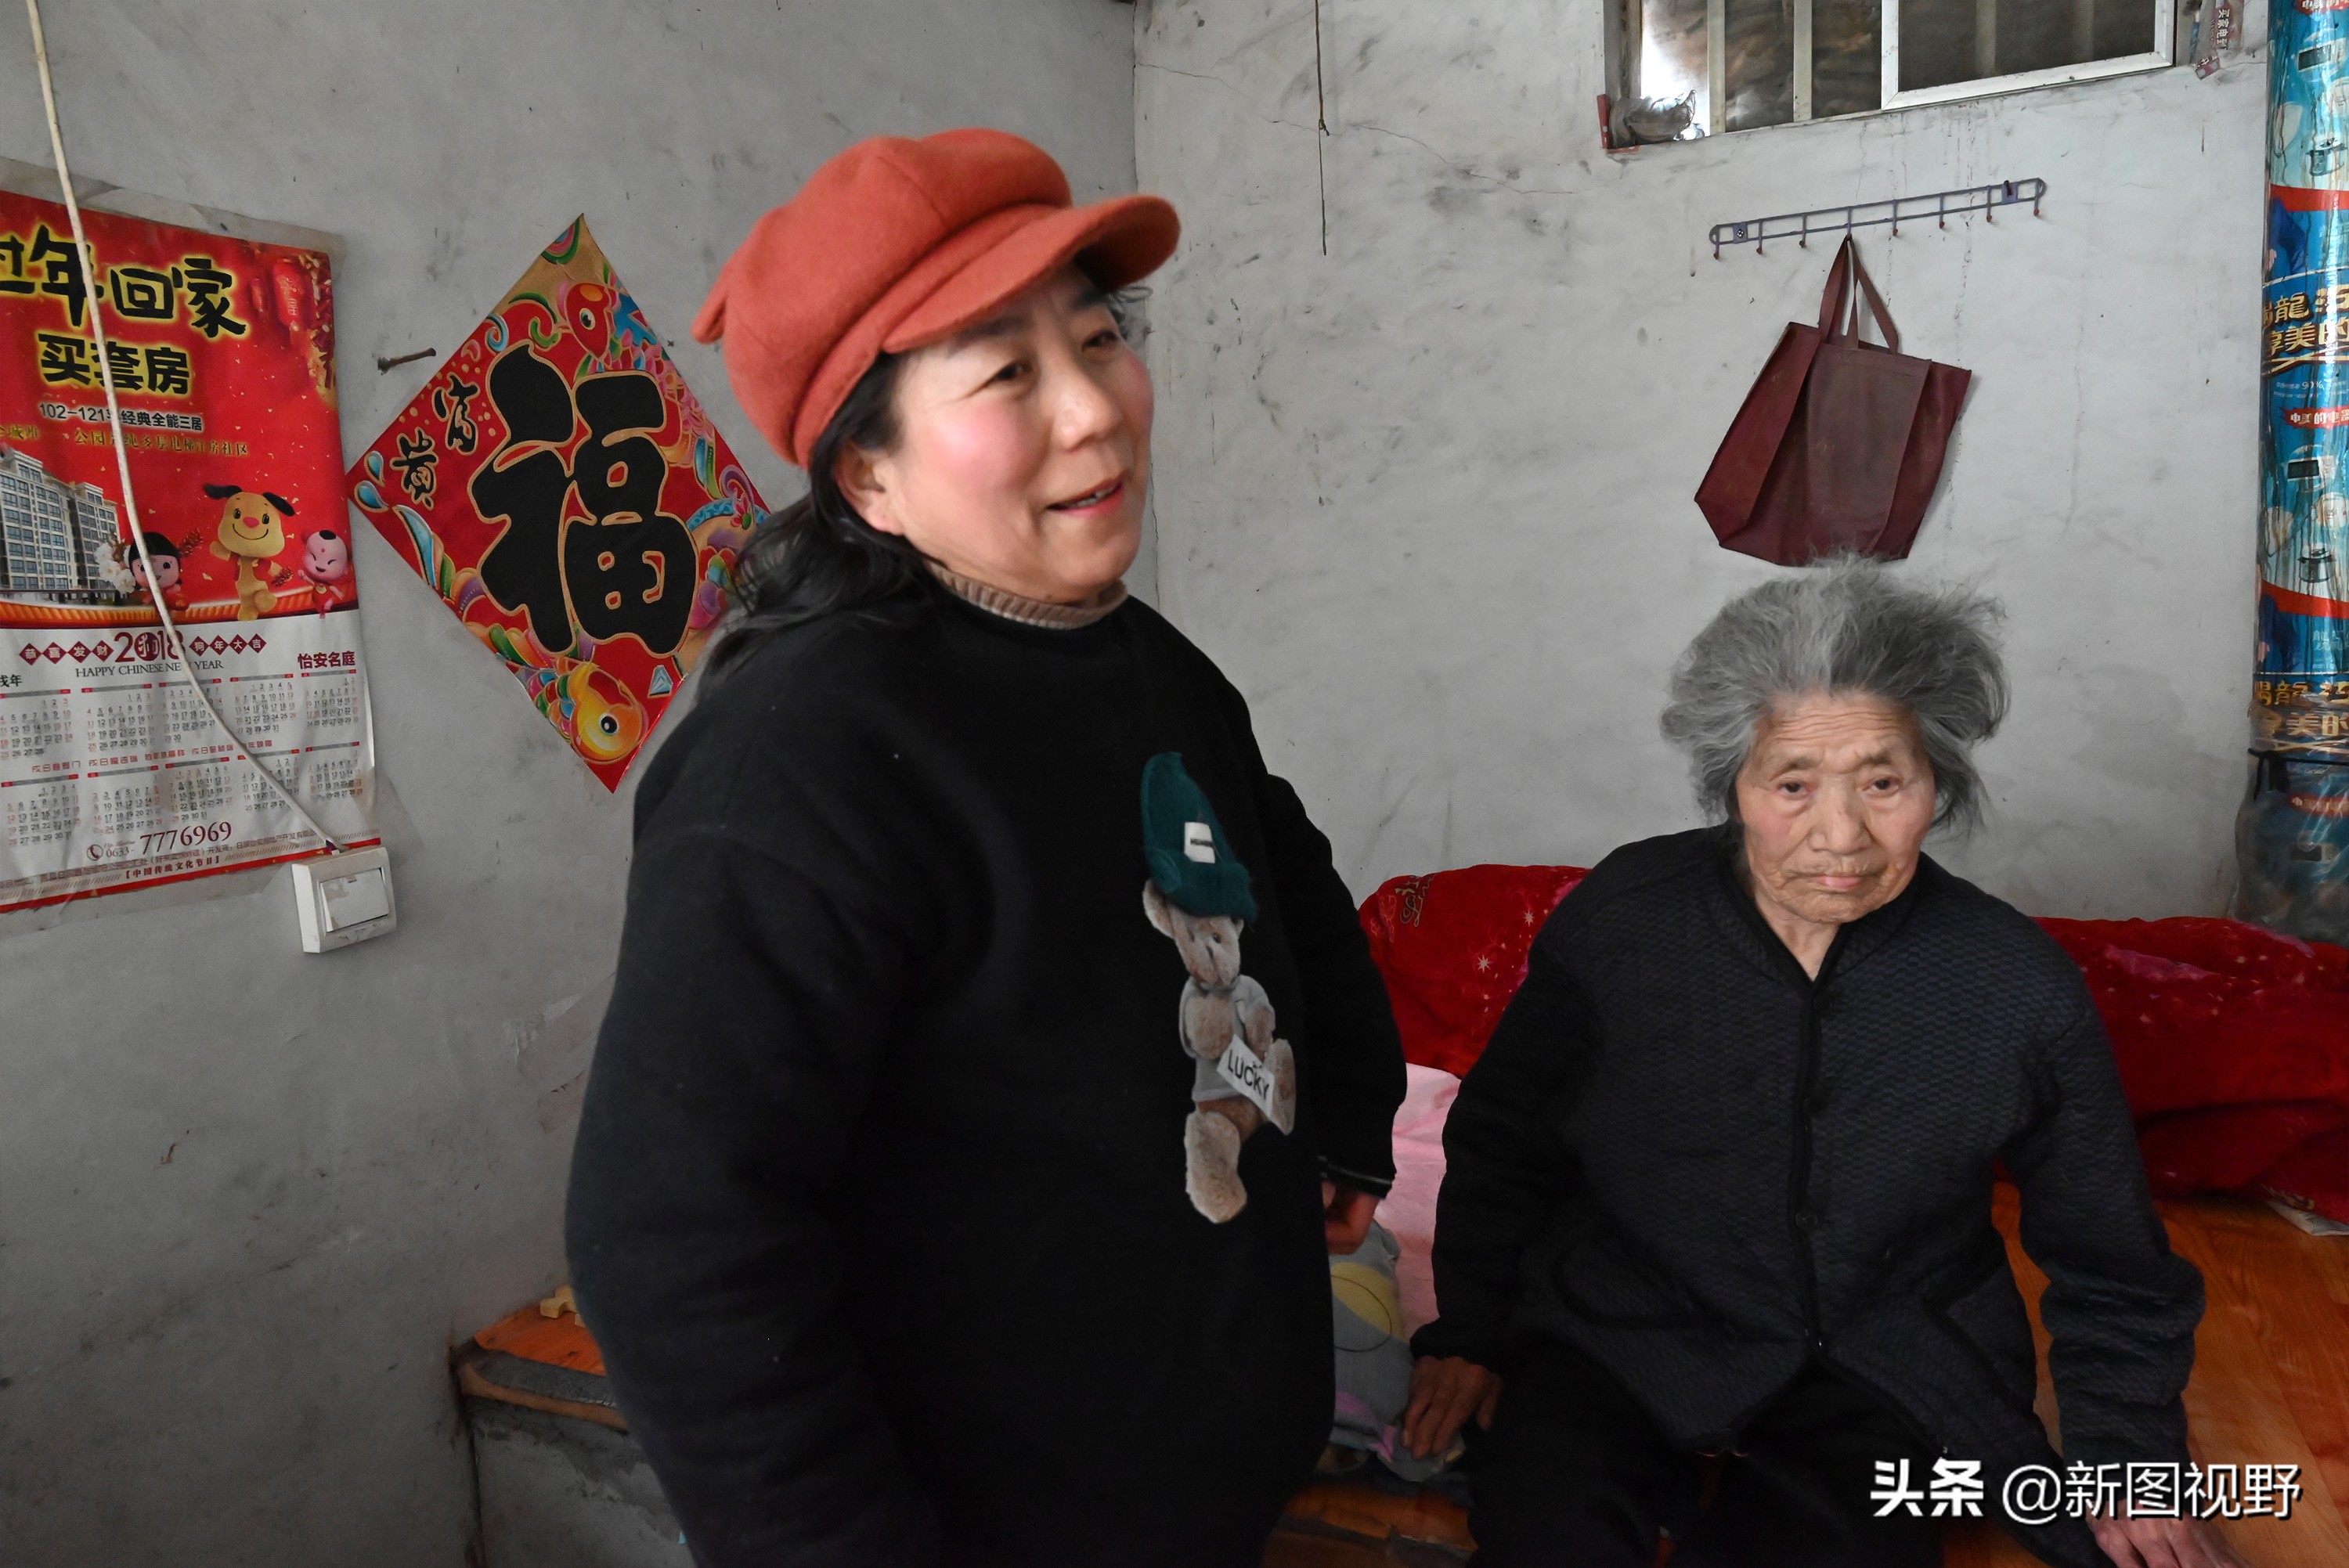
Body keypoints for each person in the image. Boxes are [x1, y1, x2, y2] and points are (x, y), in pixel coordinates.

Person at [565, 130, 1406, 1568]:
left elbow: (1286, 879)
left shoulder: (1147, 659)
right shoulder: (801, 762)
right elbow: (674, 1242)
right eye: (1008, 373)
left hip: (1200, 1479)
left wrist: (1344, 1114)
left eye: (1099, 338)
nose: (1095, 409)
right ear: (869, 477)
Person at [1402, 563, 2235, 1568]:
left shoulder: (2014, 985)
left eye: (1883, 782)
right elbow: (1506, 1139)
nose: (1841, 837)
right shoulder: (1626, 921)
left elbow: (2112, 1261)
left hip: (1890, 1359)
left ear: (1938, 783)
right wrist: (1471, 1331)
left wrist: (2133, 1466)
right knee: (1546, 1534)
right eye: (1792, 784)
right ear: (1734, 785)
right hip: (1624, 1324)